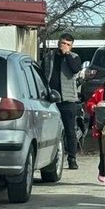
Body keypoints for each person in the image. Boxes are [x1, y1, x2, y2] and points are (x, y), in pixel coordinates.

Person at [44, 33, 84, 169]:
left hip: (68, 99)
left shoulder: (74, 57)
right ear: (58, 43)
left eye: (68, 44)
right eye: (62, 43)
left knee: (70, 130)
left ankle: (72, 158)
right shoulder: (49, 57)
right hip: (51, 99)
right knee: (49, 129)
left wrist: (67, 55)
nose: (64, 46)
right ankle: (49, 157)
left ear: (71, 46)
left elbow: (75, 69)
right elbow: (44, 74)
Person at [85, 76, 105, 183]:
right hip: (102, 126)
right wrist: (95, 107)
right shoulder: (100, 92)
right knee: (103, 150)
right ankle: (102, 171)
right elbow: (89, 104)